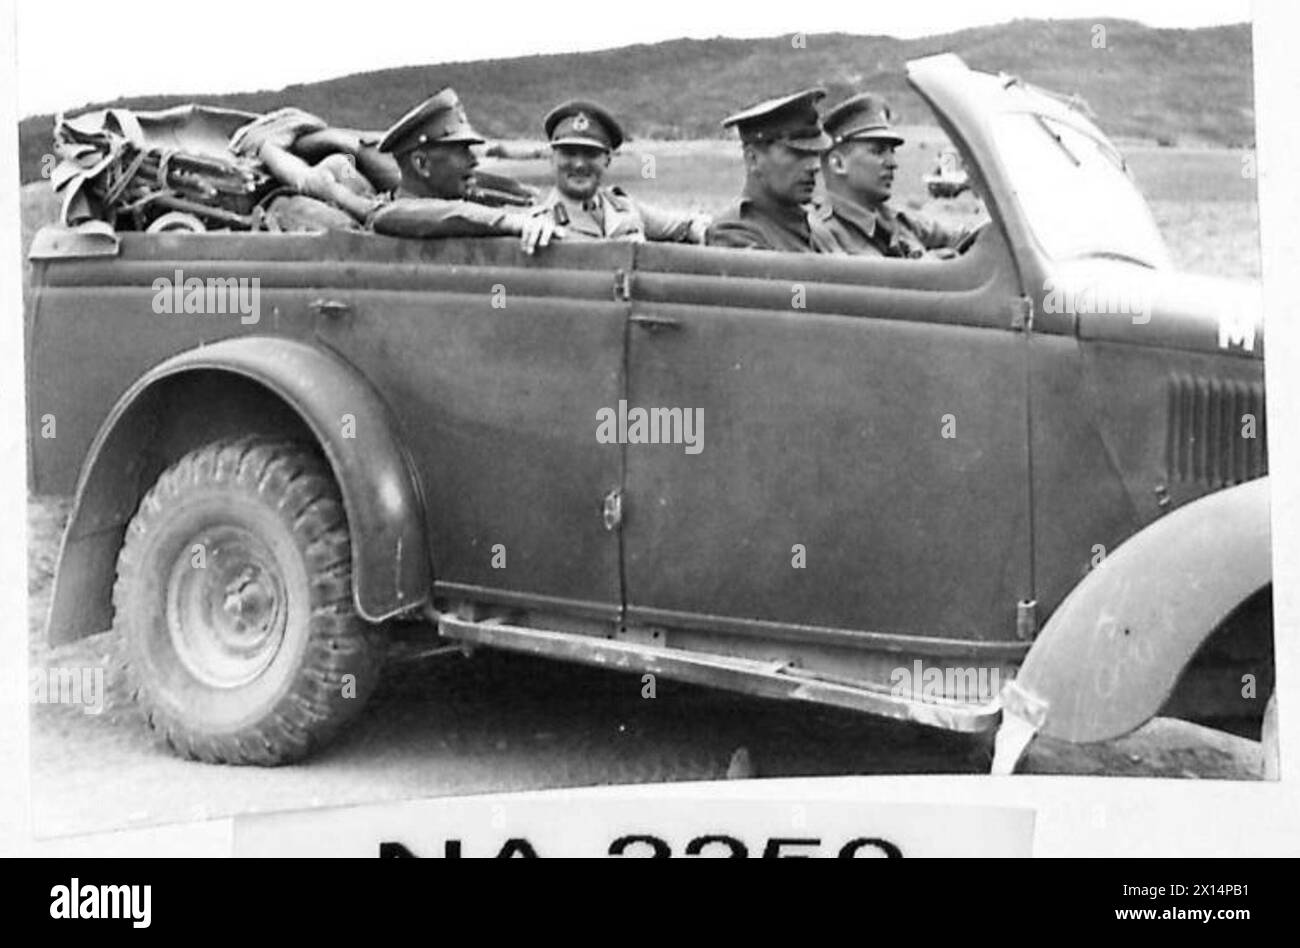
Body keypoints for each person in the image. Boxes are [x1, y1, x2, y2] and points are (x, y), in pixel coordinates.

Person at [365, 89, 557, 253]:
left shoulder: (451, 208)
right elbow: (393, 215)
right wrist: (513, 222)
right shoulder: (399, 216)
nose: (474, 160)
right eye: (462, 151)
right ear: (422, 164)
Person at [817, 93, 973, 258]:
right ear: (838, 163)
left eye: (892, 152)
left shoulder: (895, 219)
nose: (892, 163)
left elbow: (965, 239)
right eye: (877, 151)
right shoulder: (822, 235)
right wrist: (928, 266)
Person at [530, 100, 709, 243]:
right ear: (552, 159)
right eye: (569, 153)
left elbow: (686, 225)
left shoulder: (625, 208)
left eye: (591, 154)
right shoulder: (539, 221)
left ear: (607, 160)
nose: (579, 165)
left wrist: (703, 231)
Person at [705, 88, 840, 253]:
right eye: (798, 154)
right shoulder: (734, 233)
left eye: (815, 154)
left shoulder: (814, 229)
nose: (814, 166)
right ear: (753, 159)